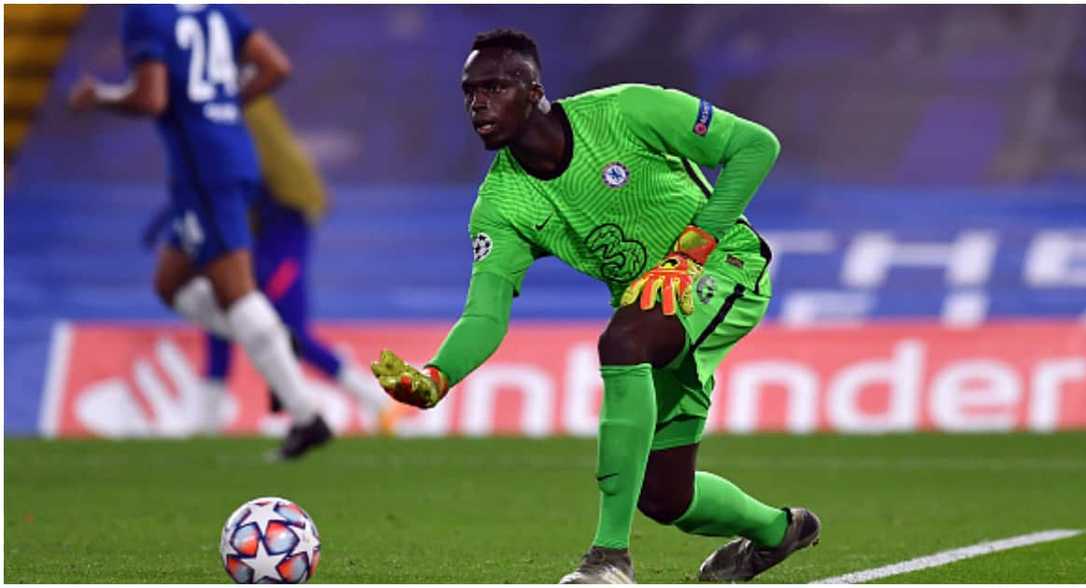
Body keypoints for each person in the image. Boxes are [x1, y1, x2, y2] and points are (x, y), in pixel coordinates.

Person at [370, 29, 820, 584]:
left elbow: (756, 146)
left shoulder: (628, 110)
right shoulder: (500, 206)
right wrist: (437, 376)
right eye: (469, 92)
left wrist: (691, 250)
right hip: (655, 308)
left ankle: (609, 560)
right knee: (664, 495)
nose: (477, 103)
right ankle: (780, 532)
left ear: (533, 90)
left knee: (622, 340)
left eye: (493, 87)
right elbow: (485, 315)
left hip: (725, 267)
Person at [68, 4, 330, 460]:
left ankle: (307, 416)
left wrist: (101, 97)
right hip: (224, 160)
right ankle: (269, 338)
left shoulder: (145, 15)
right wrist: (223, 106)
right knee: (170, 284)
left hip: (206, 171)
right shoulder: (216, 12)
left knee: (237, 293)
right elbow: (275, 66)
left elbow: (152, 99)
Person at [141, 96, 400, 435]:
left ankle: (376, 400)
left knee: (289, 333)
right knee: (227, 306)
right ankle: (208, 420)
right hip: (253, 238)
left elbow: (231, 184)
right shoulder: (231, 127)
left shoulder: (246, 130)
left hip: (280, 240)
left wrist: (174, 219)